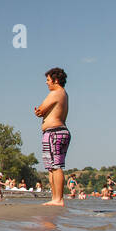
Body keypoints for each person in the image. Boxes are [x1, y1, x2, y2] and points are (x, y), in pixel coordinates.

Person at [34, 66, 70, 206]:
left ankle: (58, 199)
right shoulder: (63, 94)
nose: (46, 82)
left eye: (48, 80)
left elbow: (41, 109)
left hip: (55, 132)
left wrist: (38, 112)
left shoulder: (56, 93)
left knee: (56, 166)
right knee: (51, 167)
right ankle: (55, 198)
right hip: (55, 132)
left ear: (55, 80)